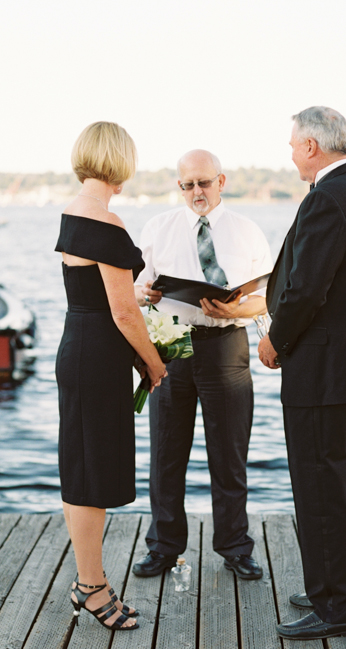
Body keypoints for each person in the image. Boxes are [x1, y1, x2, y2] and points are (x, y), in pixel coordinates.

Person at [258, 107, 346, 640]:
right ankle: (334, 589)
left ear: (313, 146)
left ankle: (336, 608)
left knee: (320, 485)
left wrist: (275, 339)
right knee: (343, 482)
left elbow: (307, 289)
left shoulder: (326, 200)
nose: (291, 153)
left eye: (293, 145)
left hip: (322, 366)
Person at [131, 149, 272, 581]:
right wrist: (147, 293)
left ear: (221, 181)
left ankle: (234, 547)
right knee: (166, 455)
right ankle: (163, 547)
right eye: (188, 184)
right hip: (173, 348)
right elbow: (134, 288)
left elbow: (268, 296)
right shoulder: (158, 228)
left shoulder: (247, 231)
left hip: (226, 347)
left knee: (229, 454)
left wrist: (236, 312)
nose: (196, 191)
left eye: (204, 183)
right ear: (179, 187)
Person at [55, 121, 168, 632]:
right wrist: (153, 360)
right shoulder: (108, 221)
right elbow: (123, 315)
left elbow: (94, 292)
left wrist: (134, 299)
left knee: (81, 471)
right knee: (92, 477)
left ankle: (88, 580)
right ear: (120, 162)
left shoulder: (72, 212)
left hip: (76, 344)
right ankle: (92, 587)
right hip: (99, 356)